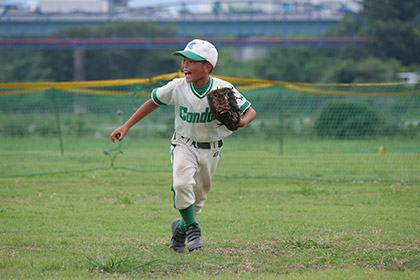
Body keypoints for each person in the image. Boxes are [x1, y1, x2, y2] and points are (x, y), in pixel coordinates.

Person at [110, 39, 256, 253]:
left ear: (207, 67)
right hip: (183, 144)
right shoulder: (177, 87)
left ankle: (180, 229)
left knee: (197, 200)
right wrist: (127, 125)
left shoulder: (222, 88)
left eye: (191, 61)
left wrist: (242, 121)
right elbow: (153, 102)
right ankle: (193, 229)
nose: (185, 65)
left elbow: (250, 111)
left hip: (212, 149)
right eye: (184, 60)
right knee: (180, 185)